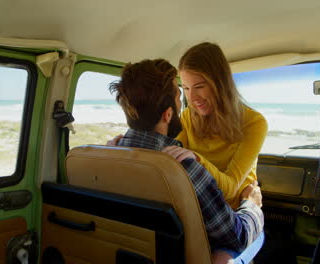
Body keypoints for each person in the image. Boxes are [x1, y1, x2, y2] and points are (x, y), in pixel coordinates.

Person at [109, 58, 264, 264]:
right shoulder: (184, 168)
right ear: (168, 114)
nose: (189, 102)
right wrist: (252, 206)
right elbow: (237, 237)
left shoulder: (108, 153)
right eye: (181, 94)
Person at [163, 42, 268, 210]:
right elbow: (172, 159)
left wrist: (196, 159)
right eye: (186, 88)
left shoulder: (254, 123)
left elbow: (230, 189)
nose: (192, 97)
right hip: (198, 208)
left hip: (236, 215)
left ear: (220, 83)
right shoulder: (188, 116)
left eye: (199, 87)